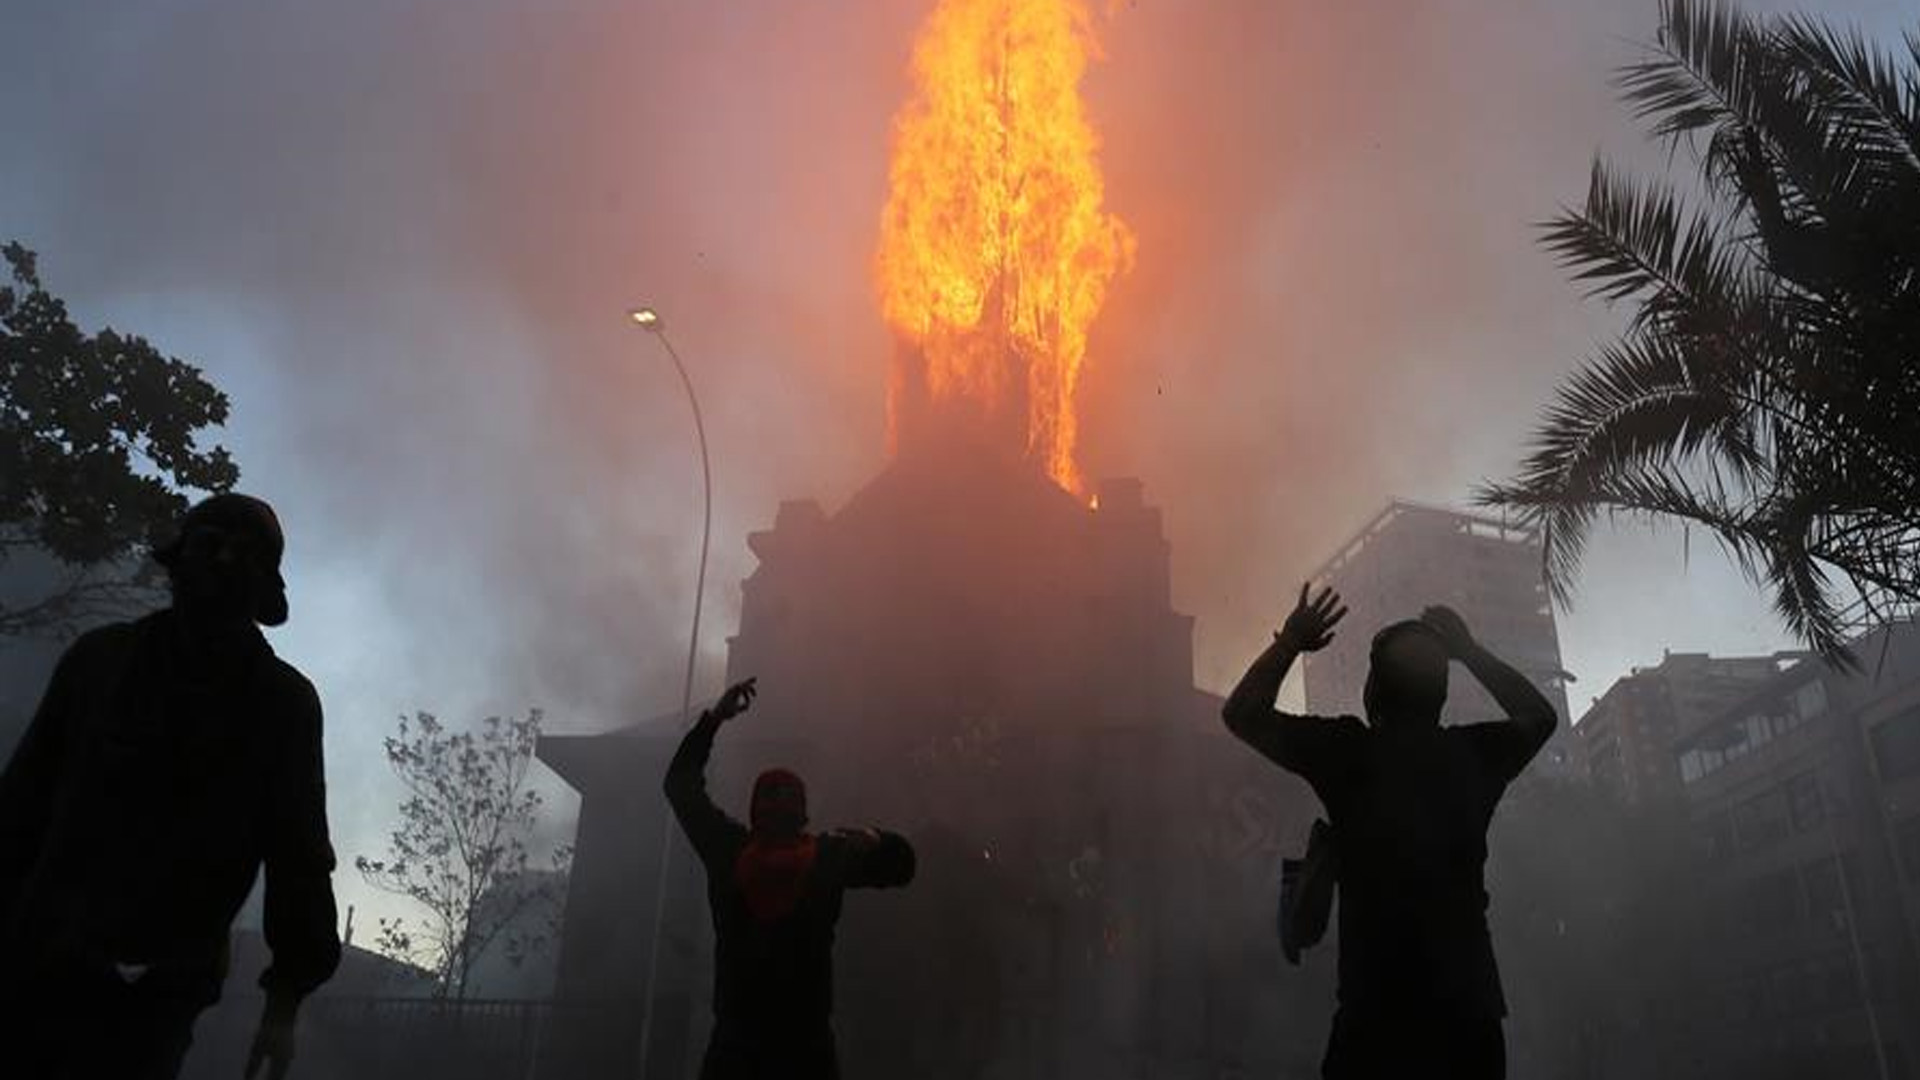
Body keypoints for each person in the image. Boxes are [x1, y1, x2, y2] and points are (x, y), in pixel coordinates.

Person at [0, 493, 341, 1080]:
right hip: (44, 964)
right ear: (180, 562)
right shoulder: (100, 665)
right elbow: (19, 810)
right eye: (210, 547)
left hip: (161, 989)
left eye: (242, 556)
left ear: (261, 588)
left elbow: (299, 860)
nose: (222, 567)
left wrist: (284, 1003)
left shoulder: (282, 706)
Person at [1222, 585, 1558, 1080]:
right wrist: (1469, 651)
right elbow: (1540, 717)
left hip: (1375, 1024)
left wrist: (1291, 642)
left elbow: (1242, 713)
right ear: (1440, 695)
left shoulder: (1348, 755)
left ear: (1372, 690)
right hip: (1468, 1025)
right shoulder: (1474, 757)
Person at [663, 677, 917, 1080]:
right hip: (804, 1051)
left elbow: (680, 785)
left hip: (738, 1048)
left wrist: (715, 720)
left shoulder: (729, 850)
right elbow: (903, 865)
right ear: (803, 812)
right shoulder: (828, 855)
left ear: (754, 809)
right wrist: (877, 839)